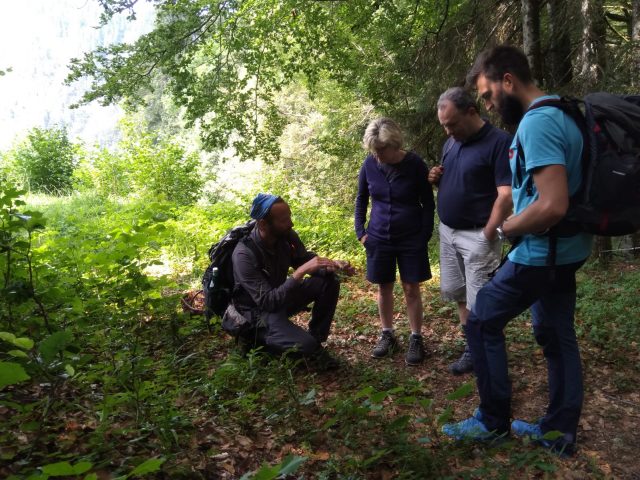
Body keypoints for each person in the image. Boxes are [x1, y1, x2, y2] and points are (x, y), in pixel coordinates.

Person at [441, 45, 593, 456]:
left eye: (488, 95)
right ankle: (558, 432)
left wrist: (508, 226)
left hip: (542, 252)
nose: (488, 105)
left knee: (481, 320)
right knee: (556, 334)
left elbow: (552, 204)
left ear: (508, 81)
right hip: (566, 249)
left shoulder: (538, 123)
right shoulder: (565, 112)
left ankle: (492, 422)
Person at [428, 87, 513, 375]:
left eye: (452, 124)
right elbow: (461, 180)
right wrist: (436, 178)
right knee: (459, 294)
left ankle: (483, 353)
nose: (448, 131)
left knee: (480, 302)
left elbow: (506, 194)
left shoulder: (499, 142)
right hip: (449, 232)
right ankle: (472, 348)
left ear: (472, 112)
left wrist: (489, 233)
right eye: (444, 126)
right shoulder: (452, 142)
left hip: (478, 235)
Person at [231, 193, 354, 367]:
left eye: (289, 217)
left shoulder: (286, 236)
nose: (290, 223)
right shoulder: (244, 255)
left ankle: (316, 340)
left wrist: (332, 265)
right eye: (283, 220)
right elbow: (268, 302)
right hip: (257, 312)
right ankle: (256, 340)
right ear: (263, 224)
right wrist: (299, 274)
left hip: (280, 297)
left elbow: (303, 260)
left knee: (329, 280)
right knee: (305, 346)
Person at [355, 117, 435, 366]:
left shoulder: (415, 165)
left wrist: (424, 235)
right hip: (378, 237)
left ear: (394, 144)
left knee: (411, 288)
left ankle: (416, 337)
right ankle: (387, 334)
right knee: (384, 286)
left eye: (381, 150)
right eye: (374, 150)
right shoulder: (369, 164)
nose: (377, 155)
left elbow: (428, 203)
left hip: (411, 237)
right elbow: (361, 199)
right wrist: (361, 232)